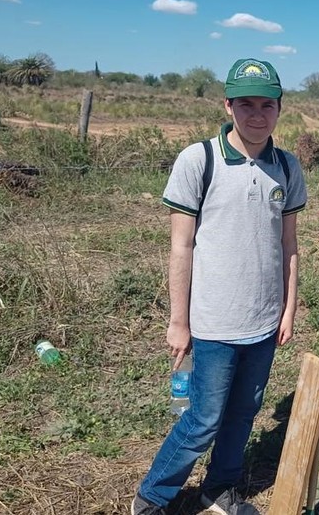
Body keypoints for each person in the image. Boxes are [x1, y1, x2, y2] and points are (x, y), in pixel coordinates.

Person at [132, 58, 307, 515]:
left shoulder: (287, 168)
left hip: (265, 321)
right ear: (227, 105)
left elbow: (289, 245)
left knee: (244, 414)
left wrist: (288, 310)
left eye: (267, 105)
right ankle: (152, 497)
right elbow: (181, 247)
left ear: (279, 109)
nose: (256, 115)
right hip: (212, 322)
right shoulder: (199, 160)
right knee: (203, 419)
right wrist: (178, 321)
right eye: (245, 104)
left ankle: (219, 490)